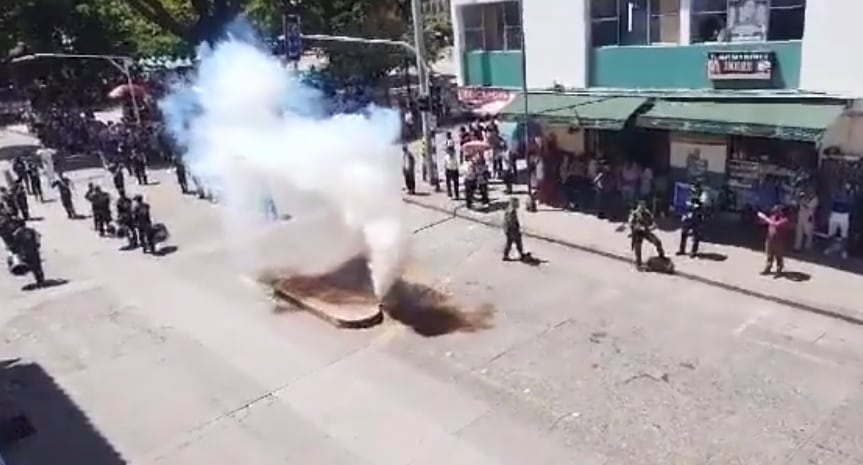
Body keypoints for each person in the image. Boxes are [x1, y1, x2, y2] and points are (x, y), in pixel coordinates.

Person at [628, 200, 666, 271]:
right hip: (637, 233)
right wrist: (638, 227)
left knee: (657, 242)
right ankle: (638, 264)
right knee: (638, 249)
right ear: (638, 206)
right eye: (641, 206)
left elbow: (653, 222)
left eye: (643, 206)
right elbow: (631, 224)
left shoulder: (647, 213)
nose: (642, 208)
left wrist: (652, 227)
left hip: (646, 231)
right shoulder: (634, 214)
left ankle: (662, 256)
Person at [11, 218, 44, 287]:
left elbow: (15, 243)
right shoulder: (30, 230)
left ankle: (38, 279)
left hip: (25, 252)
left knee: (32, 265)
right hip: (34, 250)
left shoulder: (17, 233)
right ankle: (40, 277)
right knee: (37, 264)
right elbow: (38, 236)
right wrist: (37, 244)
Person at [758, 205, 789, 275]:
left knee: (778, 256)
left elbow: (775, 224)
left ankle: (779, 269)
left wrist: (765, 217)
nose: (775, 212)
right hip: (769, 240)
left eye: (777, 211)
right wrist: (761, 219)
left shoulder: (785, 219)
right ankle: (768, 268)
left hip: (779, 241)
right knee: (769, 255)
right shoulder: (772, 217)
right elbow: (764, 223)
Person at [677, 183, 705, 257]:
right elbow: (686, 205)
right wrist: (684, 214)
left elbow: (698, 206)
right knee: (684, 233)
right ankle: (682, 249)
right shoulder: (690, 196)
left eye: (694, 190)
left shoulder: (702, 196)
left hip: (696, 218)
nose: (692, 192)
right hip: (688, 217)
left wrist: (693, 204)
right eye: (692, 190)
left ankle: (693, 251)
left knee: (696, 235)